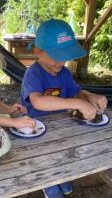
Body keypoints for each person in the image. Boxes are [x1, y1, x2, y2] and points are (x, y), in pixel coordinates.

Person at [21, 19, 108, 198]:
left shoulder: (64, 73)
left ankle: (63, 174)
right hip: (37, 128)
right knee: (46, 157)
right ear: (38, 52)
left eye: (65, 55)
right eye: (56, 55)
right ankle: (49, 182)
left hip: (61, 125)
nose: (61, 61)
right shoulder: (33, 73)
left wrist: (89, 96)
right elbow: (38, 102)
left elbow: (76, 92)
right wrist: (76, 104)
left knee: (66, 153)